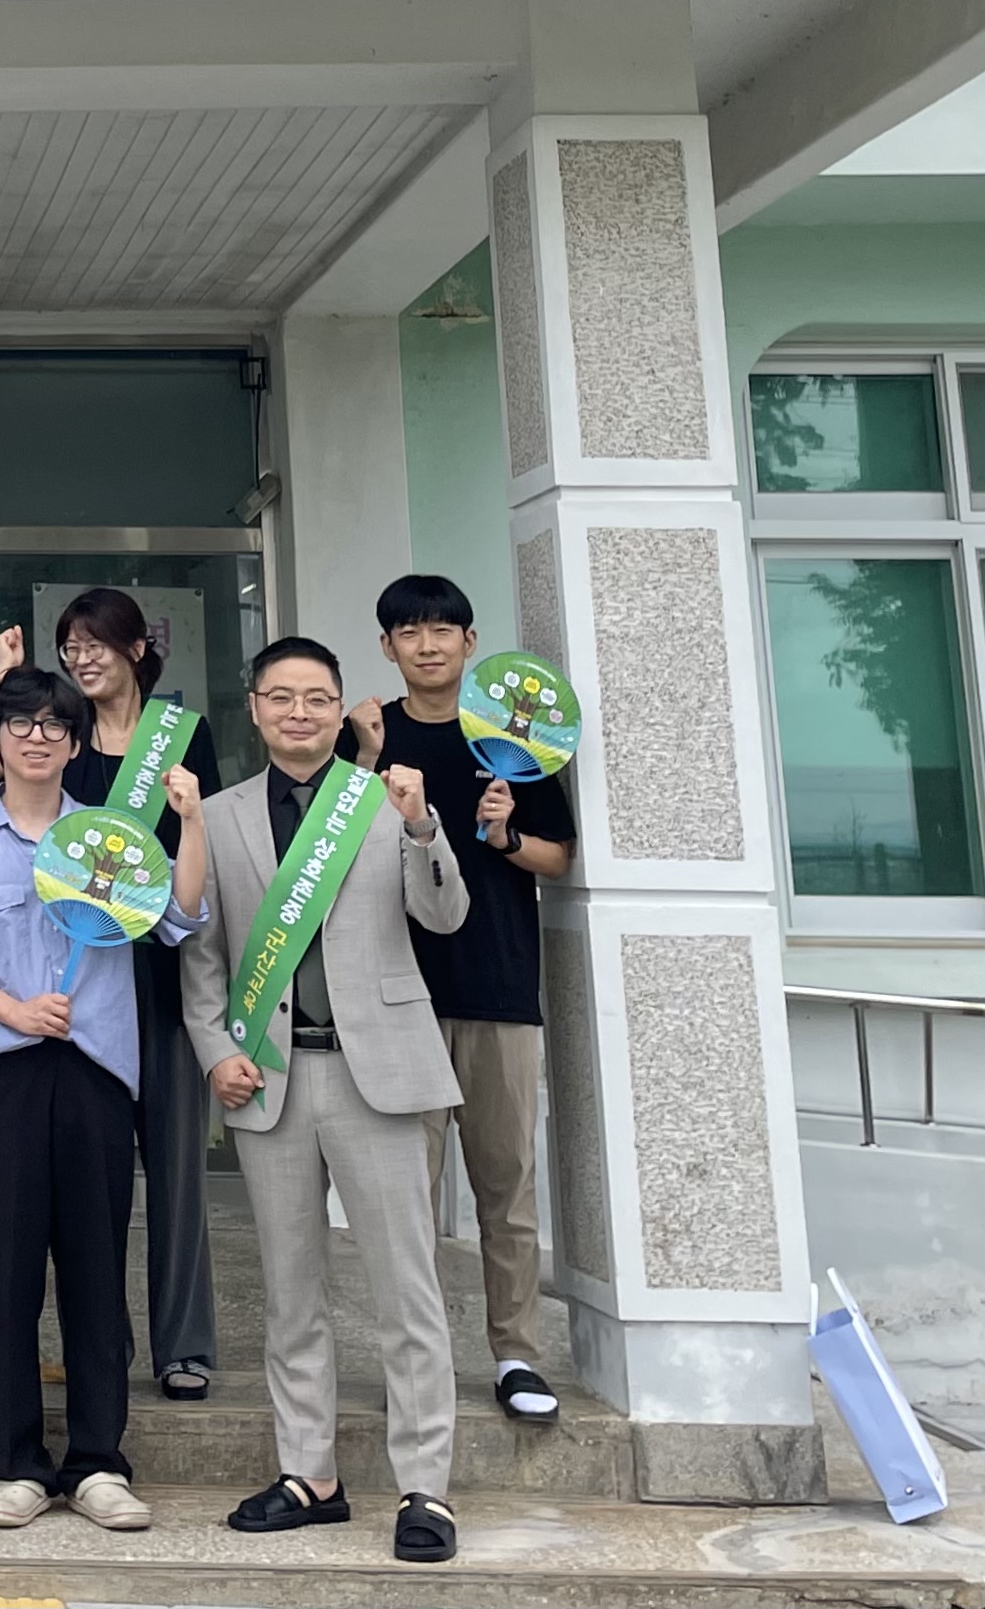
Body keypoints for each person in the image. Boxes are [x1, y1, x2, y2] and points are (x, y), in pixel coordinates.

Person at [183, 635, 470, 1565]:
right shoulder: (221, 815)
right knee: (291, 1289)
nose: (298, 712)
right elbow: (206, 955)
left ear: (341, 706)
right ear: (255, 706)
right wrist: (216, 1049)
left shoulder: (383, 801)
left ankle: (427, 1485)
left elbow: (445, 916)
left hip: (375, 1069)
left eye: (316, 697)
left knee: (406, 1288)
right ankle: (310, 1473)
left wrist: (425, 828)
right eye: (280, 696)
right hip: (270, 1074)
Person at [0, 660, 208, 1533]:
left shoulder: (112, 840)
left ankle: (98, 1460)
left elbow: (180, 917)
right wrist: (14, 1009)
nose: (36, 737)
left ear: (75, 744)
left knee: (93, 1269)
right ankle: (13, 1463)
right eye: (19, 723)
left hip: (97, 1076)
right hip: (3, 1071)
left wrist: (188, 825)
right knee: (4, 1270)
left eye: (53, 725)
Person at [0, 588, 222, 1397]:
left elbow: (198, 846)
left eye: (96, 644)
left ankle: (184, 1342)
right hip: (79, 986)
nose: (83, 659)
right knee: (97, 1179)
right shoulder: (64, 735)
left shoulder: (184, 739)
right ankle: (103, 1339)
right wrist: (9, 676)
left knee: (177, 1165)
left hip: (160, 973)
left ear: (137, 648)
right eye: (70, 646)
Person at [350, 572, 574, 1430]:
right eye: (410, 630)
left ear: (471, 642)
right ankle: (420, 1356)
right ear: (388, 647)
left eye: (445, 628)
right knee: (409, 1194)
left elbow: (558, 857)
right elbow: (335, 850)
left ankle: (517, 1352)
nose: (429, 642)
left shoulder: (512, 735)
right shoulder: (367, 735)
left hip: (501, 987)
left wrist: (506, 835)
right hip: (400, 994)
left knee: (505, 1184)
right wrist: (366, 760)